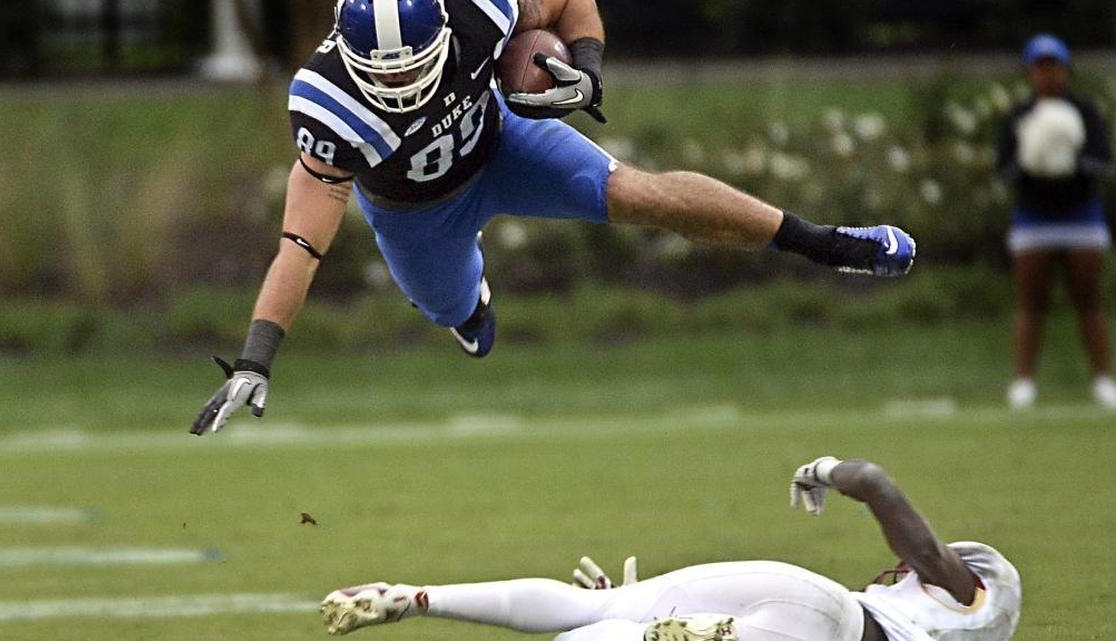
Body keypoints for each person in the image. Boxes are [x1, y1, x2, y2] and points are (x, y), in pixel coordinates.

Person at [189, 0, 917, 435]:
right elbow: (300, 245)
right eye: (387, 72)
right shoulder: (327, 107)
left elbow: (569, 1)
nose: (404, 82)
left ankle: (825, 243)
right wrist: (256, 358)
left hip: (506, 143)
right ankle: (470, 306)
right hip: (416, 214)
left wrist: (588, 69)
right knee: (452, 310)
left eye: (414, 64)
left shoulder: (477, 10)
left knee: (642, 194)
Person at [319, 456, 1021, 641]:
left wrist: (825, 468)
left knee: (594, 619)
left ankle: (417, 597)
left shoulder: (967, 593)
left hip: (805, 595)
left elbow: (873, 482)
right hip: (829, 625)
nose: (900, 565)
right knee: (622, 622)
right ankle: (692, 632)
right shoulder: (940, 620)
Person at [997, 33, 1116, 410]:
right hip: (1034, 218)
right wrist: (1031, 161)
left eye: (1054, 67)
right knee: (1031, 302)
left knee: (1089, 300)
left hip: (1081, 216)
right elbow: (1004, 168)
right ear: (1031, 72)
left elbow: (1103, 163)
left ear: (1065, 70)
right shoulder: (1019, 116)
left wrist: (1072, 161)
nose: (1048, 74)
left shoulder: (1085, 112)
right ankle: (1023, 382)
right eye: (1040, 67)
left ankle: (1102, 380)